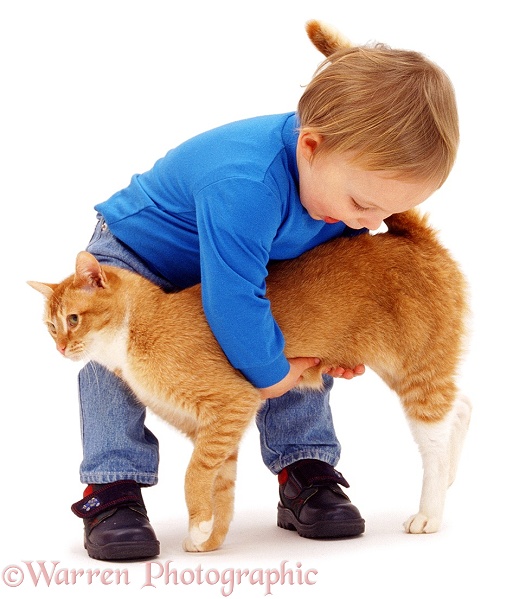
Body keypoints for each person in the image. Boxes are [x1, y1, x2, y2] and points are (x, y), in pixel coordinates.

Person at [72, 34, 459, 561]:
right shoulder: (246, 182)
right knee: (109, 351)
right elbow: (233, 298)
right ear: (310, 148)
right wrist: (275, 375)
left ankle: (305, 464)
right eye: (363, 205)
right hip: (145, 258)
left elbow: (317, 292)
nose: (370, 225)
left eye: (384, 215)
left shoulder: (332, 189)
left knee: (294, 321)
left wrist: (334, 343)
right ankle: (113, 484)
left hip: (250, 256)